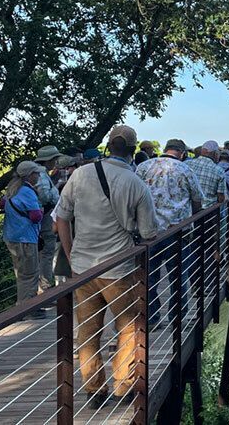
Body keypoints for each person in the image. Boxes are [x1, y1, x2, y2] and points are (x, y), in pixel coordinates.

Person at [55, 125, 158, 408]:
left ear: (107, 146)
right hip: (119, 268)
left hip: (83, 268)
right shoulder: (136, 183)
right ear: (133, 151)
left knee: (87, 331)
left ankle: (94, 390)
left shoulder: (80, 175)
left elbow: (61, 218)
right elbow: (149, 233)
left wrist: (71, 252)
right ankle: (122, 386)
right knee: (128, 328)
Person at [135, 139, 203, 322]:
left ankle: (151, 317)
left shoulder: (143, 167)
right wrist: (194, 217)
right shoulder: (185, 169)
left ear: (166, 149)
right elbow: (197, 198)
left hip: (149, 231)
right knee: (179, 277)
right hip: (178, 230)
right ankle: (177, 316)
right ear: (181, 153)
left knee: (149, 277)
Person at [1, 161, 46, 318]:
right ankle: (28, 308)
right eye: (37, 173)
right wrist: (41, 210)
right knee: (30, 273)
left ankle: (23, 305)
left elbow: (2, 204)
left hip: (12, 235)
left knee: (21, 273)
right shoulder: (28, 192)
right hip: (26, 237)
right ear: (30, 175)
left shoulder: (12, 189)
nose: (39, 176)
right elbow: (35, 216)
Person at [32, 146, 62, 293]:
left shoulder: (38, 172)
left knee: (43, 253)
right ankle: (45, 287)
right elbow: (44, 196)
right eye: (54, 159)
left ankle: (43, 287)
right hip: (45, 218)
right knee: (47, 253)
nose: (56, 162)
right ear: (49, 160)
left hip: (41, 218)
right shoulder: (42, 175)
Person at [185, 141, 228, 209]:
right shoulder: (219, 170)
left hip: (187, 211)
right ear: (215, 154)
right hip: (207, 212)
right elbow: (221, 198)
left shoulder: (186, 164)